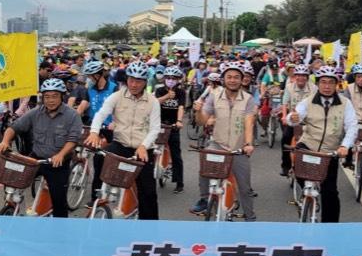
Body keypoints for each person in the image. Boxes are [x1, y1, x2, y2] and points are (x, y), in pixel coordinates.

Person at [0, 78, 83, 218]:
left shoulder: (72, 115)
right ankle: (15, 209)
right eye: (47, 97)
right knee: (13, 182)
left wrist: (61, 155)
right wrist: (5, 141)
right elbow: (14, 128)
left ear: (62, 96)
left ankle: (61, 232)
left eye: (55, 96)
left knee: (59, 201)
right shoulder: (36, 112)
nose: (50, 100)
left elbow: (73, 139)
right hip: (36, 159)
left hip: (58, 162)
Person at [86, 61, 162, 219]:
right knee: (100, 156)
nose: (134, 84)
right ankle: (98, 196)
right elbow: (101, 114)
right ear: (126, 79)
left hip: (143, 149)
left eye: (139, 81)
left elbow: (155, 128)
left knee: (148, 193)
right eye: (131, 80)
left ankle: (150, 230)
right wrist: (94, 132)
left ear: (145, 82)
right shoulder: (117, 96)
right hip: (120, 144)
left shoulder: (153, 102)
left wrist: (144, 146)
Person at [286, 66, 358, 223]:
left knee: (330, 192)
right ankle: (308, 194)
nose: (327, 86)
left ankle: (330, 229)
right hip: (308, 146)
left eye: (331, 82)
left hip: (329, 152)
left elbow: (352, 126)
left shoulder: (345, 104)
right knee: (299, 173)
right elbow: (294, 116)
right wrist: (293, 118)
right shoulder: (309, 101)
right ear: (318, 84)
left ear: (336, 84)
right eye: (323, 82)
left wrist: (345, 146)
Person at [191, 62, 257, 221]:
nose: (233, 80)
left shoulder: (248, 99)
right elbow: (201, 121)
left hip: (239, 148)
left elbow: (249, 122)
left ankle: (250, 218)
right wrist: (198, 111)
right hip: (218, 144)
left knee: (245, 188)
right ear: (223, 79)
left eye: (236, 77)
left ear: (242, 80)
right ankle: (205, 198)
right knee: (205, 163)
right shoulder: (214, 97)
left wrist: (248, 144)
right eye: (229, 77)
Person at [73, 60, 117, 205]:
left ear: (100, 74)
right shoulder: (89, 89)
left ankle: (96, 197)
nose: (90, 79)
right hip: (93, 127)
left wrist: (114, 122)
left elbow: (119, 109)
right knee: (78, 148)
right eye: (89, 76)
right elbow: (83, 106)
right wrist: (75, 117)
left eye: (92, 76)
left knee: (100, 160)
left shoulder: (114, 88)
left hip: (109, 129)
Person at [154, 65, 186, 193]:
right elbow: (155, 103)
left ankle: (179, 182)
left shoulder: (181, 92)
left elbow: (181, 107)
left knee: (176, 155)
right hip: (159, 124)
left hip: (173, 126)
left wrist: (179, 121)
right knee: (151, 150)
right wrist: (167, 96)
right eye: (168, 78)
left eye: (174, 78)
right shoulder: (160, 90)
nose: (171, 80)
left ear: (178, 80)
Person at [279, 64, 314, 177]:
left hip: (308, 121)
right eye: (298, 75)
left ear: (307, 77)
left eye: (304, 76)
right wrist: (284, 116)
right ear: (295, 76)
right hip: (293, 119)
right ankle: (286, 165)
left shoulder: (313, 88)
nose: (301, 78)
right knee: (285, 138)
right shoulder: (289, 87)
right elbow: (285, 103)